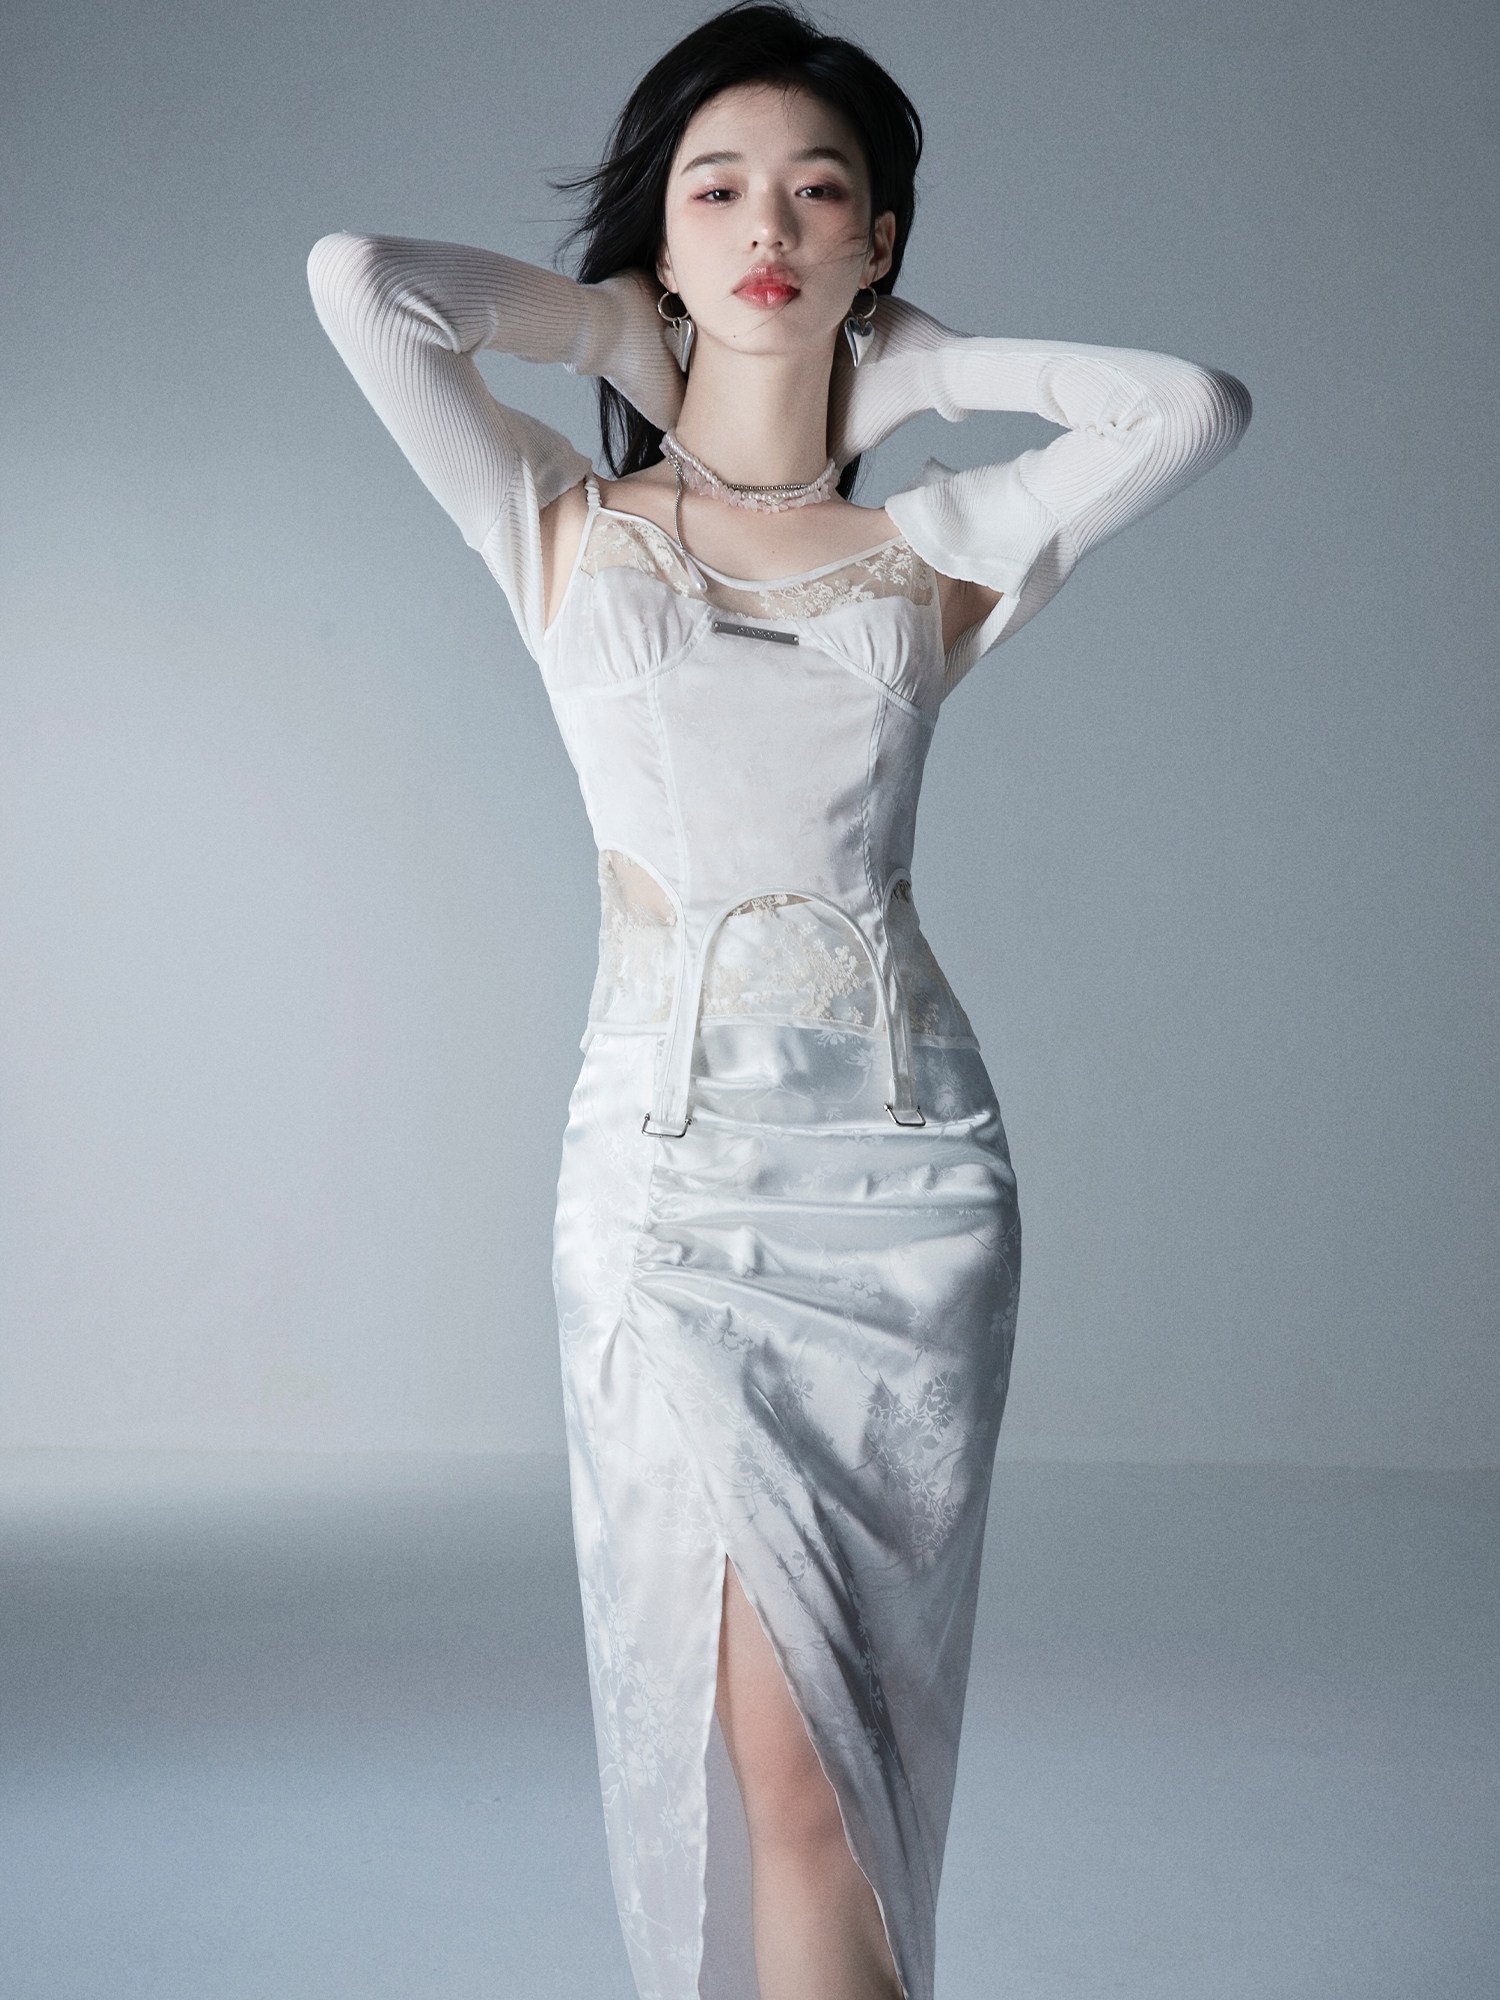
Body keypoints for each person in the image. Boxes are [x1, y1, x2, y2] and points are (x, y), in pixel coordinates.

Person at [307, 6, 1250, 1995]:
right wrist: (606, 333)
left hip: (909, 1177)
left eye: (821, 194)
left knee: (838, 1768)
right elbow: (361, 285)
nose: (768, 227)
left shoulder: (929, 547)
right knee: (758, 1734)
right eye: (716, 189)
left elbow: (1189, 409)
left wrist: (927, 373)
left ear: (876, 241)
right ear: (661, 235)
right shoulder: (563, 524)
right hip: (666, 1175)